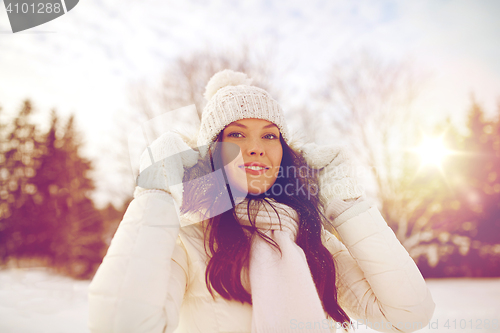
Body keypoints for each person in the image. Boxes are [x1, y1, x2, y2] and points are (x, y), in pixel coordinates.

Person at [88, 70, 435, 333]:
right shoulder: (189, 237)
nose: (256, 147)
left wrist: (345, 202)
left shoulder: (313, 239)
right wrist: (157, 190)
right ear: (211, 153)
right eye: (236, 134)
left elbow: (408, 314)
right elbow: (120, 323)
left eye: (270, 135)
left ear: (283, 153)